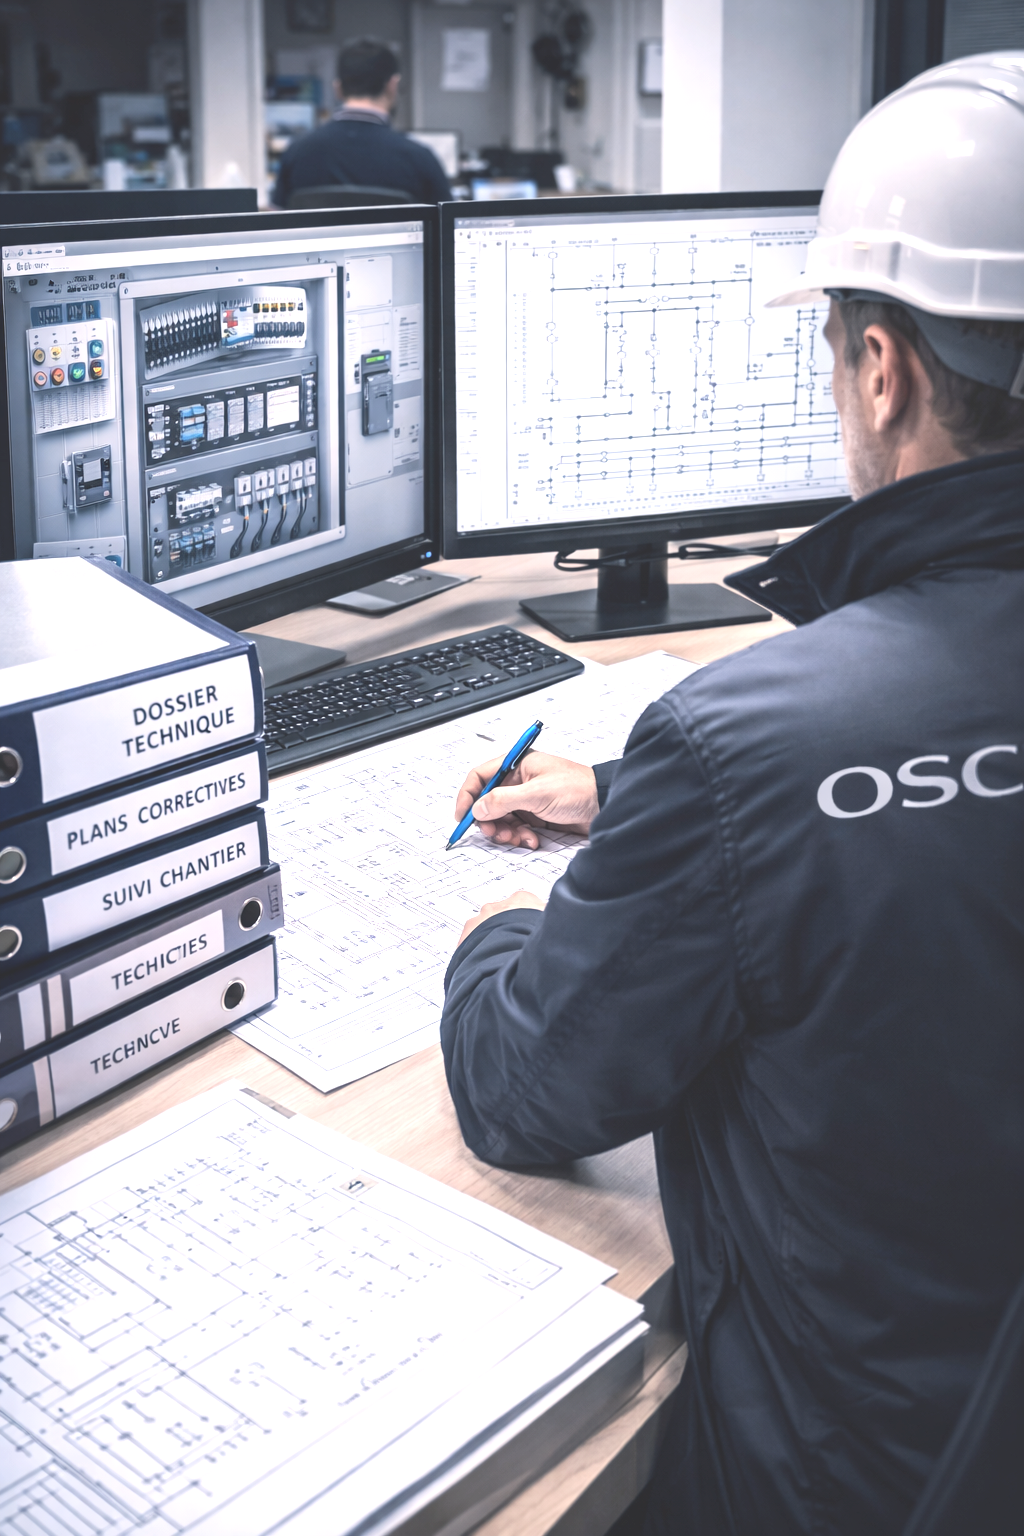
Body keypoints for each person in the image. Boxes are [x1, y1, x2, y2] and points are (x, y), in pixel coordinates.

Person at [439, 53, 1024, 1536]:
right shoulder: (738, 757)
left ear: (882, 365)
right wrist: (635, 793)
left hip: (848, 1479)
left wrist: (504, 929)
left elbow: (525, 1095)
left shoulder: (749, 737)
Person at [271, 38, 452, 209]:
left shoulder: (296, 153)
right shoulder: (419, 159)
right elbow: (448, 229)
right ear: (392, 85)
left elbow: (277, 222)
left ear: (338, 88)